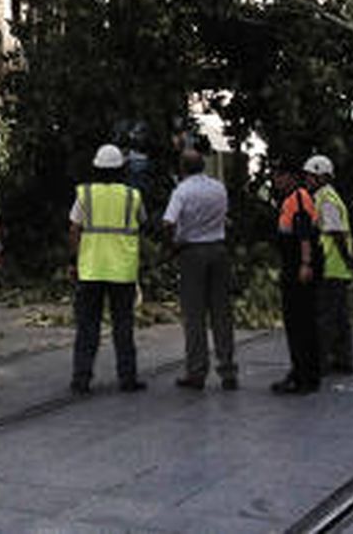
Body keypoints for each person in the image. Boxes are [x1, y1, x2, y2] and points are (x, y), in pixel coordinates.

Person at [69, 143, 146, 396]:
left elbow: (74, 229)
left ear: (96, 167)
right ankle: (128, 378)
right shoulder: (132, 196)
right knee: (123, 326)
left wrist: (74, 261)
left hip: (90, 270)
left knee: (87, 327)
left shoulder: (85, 194)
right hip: (122, 271)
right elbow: (142, 222)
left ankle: (81, 379)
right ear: (121, 169)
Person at [162, 148, 236, 391]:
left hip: (192, 253)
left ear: (182, 168)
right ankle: (227, 370)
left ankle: (197, 372)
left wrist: (172, 246)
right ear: (203, 165)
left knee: (194, 316)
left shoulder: (182, 191)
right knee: (221, 313)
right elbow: (225, 218)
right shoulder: (218, 188)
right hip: (218, 251)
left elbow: (168, 222)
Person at [271, 159, 320, 395]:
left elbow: (304, 236)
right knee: (304, 322)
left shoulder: (298, 199)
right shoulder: (294, 198)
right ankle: (305, 373)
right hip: (293, 267)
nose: (275, 180)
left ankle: (303, 377)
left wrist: (305, 263)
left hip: (297, 270)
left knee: (299, 323)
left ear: (290, 176)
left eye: (279, 175)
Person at [305, 155, 353, 377]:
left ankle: (323, 362)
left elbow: (336, 233)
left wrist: (347, 260)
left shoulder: (325, 199)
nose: (307, 179)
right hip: (336, 266)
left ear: (321, 176)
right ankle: (343, 360)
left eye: (310, 176)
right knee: (339, 317)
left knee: (325, 317)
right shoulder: (325, 196)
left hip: (330, 266)